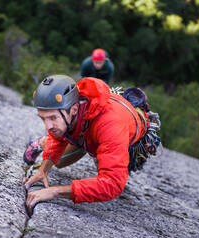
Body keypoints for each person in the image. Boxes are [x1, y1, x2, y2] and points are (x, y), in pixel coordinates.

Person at [23, 75, 146, 212]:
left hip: (113, 133)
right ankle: (42, 143)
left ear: (74, 109)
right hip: (87, 130)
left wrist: (55, 191)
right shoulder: (68, 110)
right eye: (43, 118)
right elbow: (58, 136)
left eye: (52, 118)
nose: (48, 125)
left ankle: (55, 142)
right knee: (59, 161)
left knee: (105, 171)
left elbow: (112, 183)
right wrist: (43, 170)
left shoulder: (110, 125)